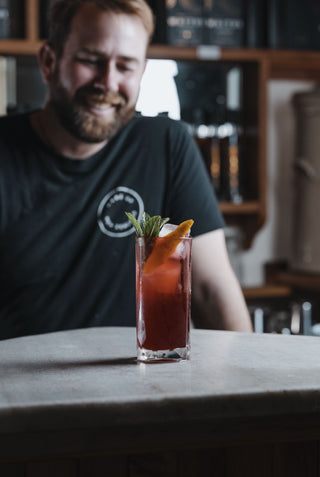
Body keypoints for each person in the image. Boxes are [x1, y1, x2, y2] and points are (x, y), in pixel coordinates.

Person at [0, 0, 252, 340]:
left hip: (141, 387)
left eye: (126, 66)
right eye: (91, 60)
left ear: (142, 72)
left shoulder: (167, 145)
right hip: (20, 389)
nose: (108, 82)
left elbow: (211, 289)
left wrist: (244, 387)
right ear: (49, 62)